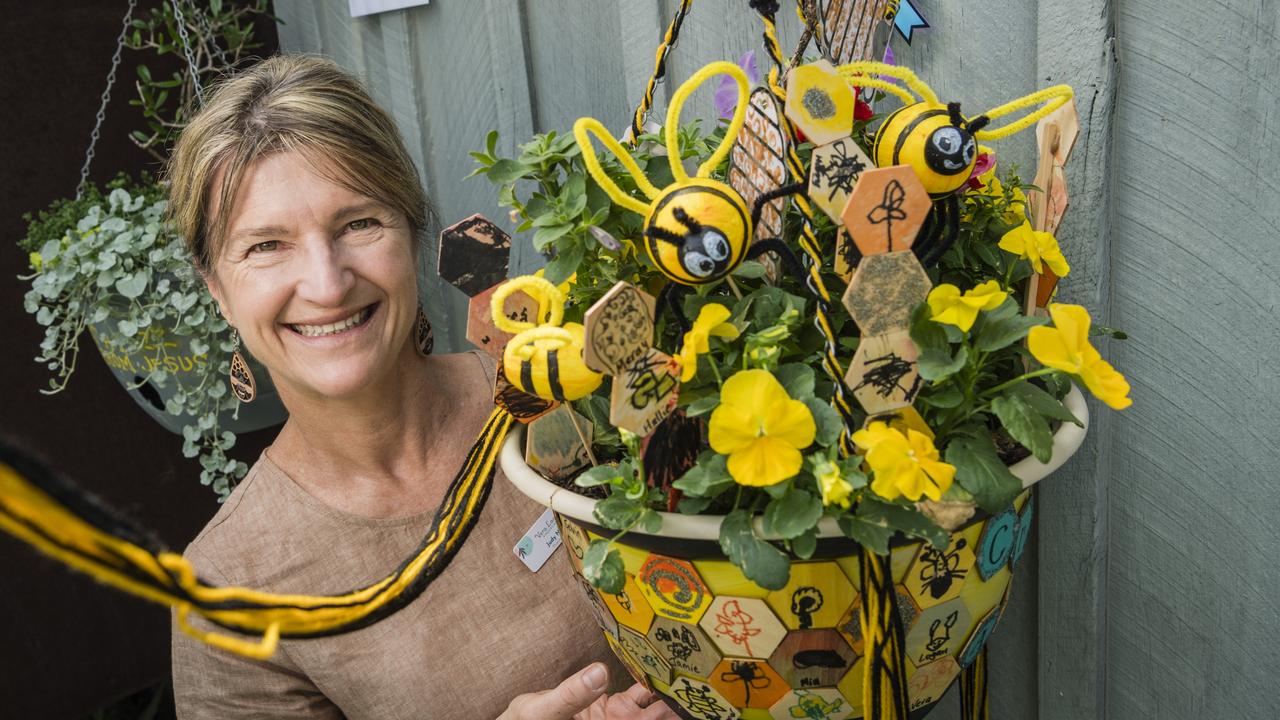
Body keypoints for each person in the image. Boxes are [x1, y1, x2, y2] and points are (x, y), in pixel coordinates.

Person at [164, 55, 677, 720]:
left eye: (356, 225)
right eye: (266, 245)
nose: (326, 284)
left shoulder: (558, 388)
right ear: (217, 291)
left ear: (410, 234)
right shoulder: (232, 589)